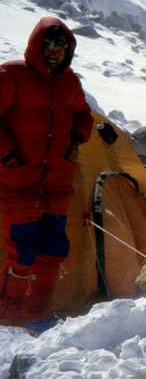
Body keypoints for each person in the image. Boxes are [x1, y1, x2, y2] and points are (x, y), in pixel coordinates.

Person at [0, 17, 94, 328]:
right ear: (36, 44)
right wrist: (8, 152)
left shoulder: (69, 82)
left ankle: (37, 312)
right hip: (18, 181)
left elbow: (83, 115)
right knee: (23, 252)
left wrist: (77, 138)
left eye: (62, 46)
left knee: (54, 249)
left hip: (56, 182)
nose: (55, 51)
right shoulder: (11, 75)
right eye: (50, 44)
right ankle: (8, 314)